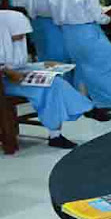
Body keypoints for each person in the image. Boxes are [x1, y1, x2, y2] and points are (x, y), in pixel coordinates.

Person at [0, 10, 94, 149]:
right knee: (51, 87)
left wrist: (42, 65)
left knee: (55, 82)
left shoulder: (14, 38)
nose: (21, 38)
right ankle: (85, 111)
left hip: (19, 77)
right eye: (17, 34)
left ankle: (57, 133)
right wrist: (7, 72)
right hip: (4, 83)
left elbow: (18, 64)